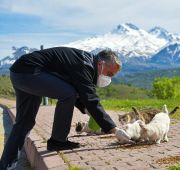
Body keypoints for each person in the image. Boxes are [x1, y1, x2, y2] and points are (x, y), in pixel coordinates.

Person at [0, 47, 130, 169]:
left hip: (20, 72)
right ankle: (58, 140)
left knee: (24, 122)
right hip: (30, 72)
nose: (108, 78)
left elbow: (81, 92)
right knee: (68, 94)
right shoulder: (84, 65)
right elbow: (90, 99)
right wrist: (114, 129)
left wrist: (86, 110)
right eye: (109, 74)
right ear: (101, 63)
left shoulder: (86, 62)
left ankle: (6, 166)